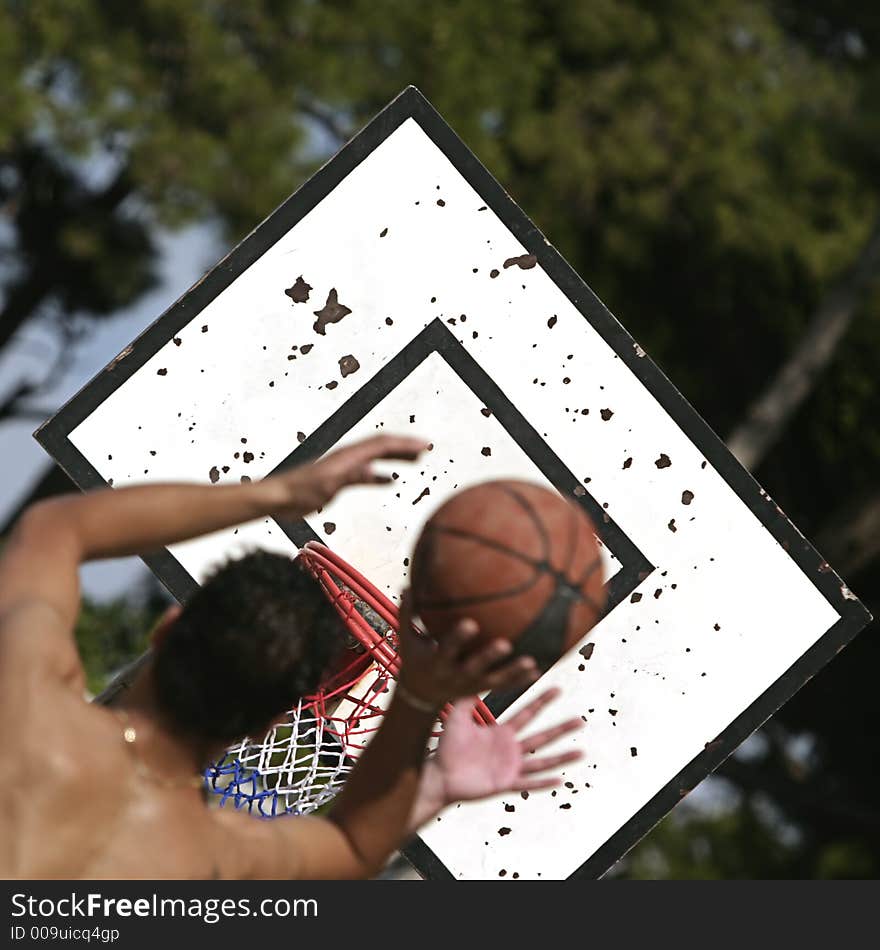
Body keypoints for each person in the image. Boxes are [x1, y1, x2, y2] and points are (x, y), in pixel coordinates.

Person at [0, 435, 582, 878]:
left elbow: (56, 527)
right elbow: (352, 848)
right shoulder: (211, 857)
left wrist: (276, 491)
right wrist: (420, 707)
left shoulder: (26, 698)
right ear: (276, 720)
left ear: (169, 626)